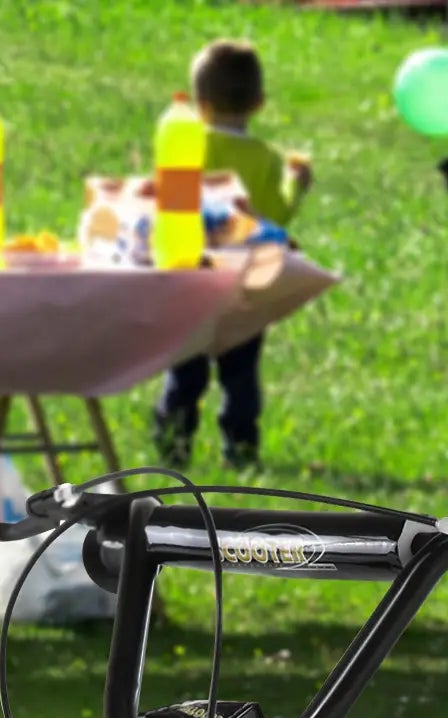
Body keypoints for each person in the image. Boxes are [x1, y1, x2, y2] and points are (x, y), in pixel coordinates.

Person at [153, 38, 312, 470]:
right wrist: (296, 186)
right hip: (245, 283)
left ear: (199, 104)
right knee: (240, 374)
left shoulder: (183, 142)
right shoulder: (264, 158)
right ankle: (240, 449)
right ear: (259, 103)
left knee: (186, 369)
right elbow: (274, 216)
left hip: (191, 276)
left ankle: (172, 439)